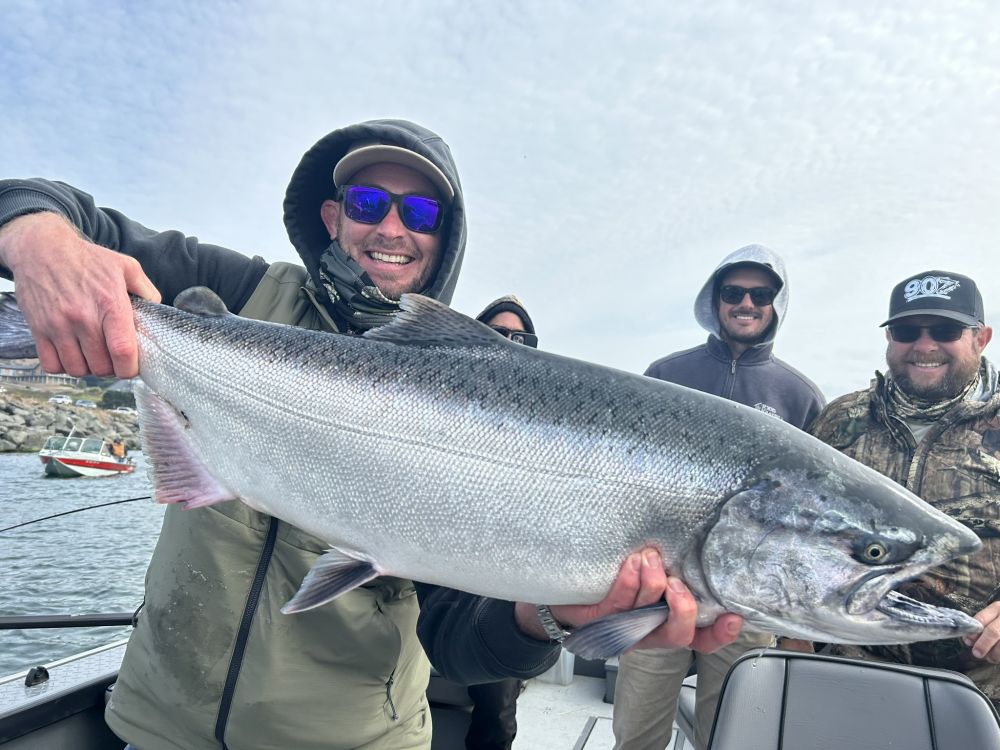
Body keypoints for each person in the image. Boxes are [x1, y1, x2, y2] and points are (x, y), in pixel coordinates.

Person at [0, 120, 743, 750]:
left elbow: (454, 640)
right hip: (162, 722)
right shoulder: (240, 292)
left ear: (443, 237)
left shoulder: (484, 397)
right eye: (367, 203)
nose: (392, 228)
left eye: (419, 213)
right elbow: (56, 206)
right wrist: (39, 240)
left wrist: (555, 614)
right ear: (333, 217)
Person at [613, 244, 825, 750]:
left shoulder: (800, 396)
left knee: (731, 737)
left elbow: (815, 516)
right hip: (657, 597)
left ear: (777, 302)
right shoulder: (666, 375)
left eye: (760, 293)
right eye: (733, 292)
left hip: (745, 613)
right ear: (715, 299)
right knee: (636, 735)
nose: (745, 303)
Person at [808, 269, 1000, 708]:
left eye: (947, 330)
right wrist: (792, 638)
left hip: (983, 688)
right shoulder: (840, 421)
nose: (925, 345)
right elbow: (792, 528)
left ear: (981, 338)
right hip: (848, 673)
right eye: (907, 330)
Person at [451, 294, 538, 750]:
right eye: (495, 334)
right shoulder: (444, 402)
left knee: (497, 712)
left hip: (501, 593)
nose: (508, 343)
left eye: (522, 338)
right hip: (440, 577)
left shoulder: (541, 419)